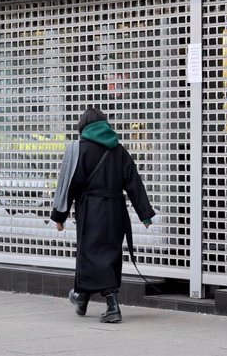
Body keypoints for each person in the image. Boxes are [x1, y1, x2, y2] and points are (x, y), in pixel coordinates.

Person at [50, 106, 155, 323]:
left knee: (90, 254)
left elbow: (69, 184)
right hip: (116, 210)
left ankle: (112, 305)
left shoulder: (79, 149)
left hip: (91, 210)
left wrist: (59, 216)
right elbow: (133, 182)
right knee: (110, 254)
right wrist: (145, 213)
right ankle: (81, 297)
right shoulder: (119, 150)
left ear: (83, 126)